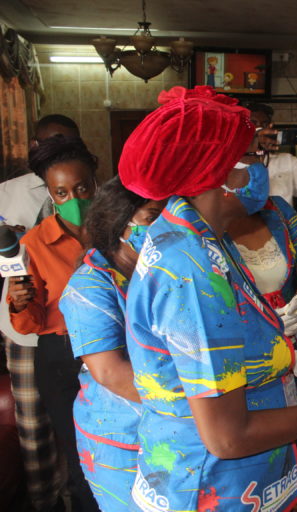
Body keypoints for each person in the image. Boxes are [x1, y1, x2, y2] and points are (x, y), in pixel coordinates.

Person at [118, 85, 297, 511]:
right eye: (250, 155)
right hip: (210, 487)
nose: (261, 166)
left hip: (235, 481)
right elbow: (228, 436)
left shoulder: (200, 237)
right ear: (223, 175)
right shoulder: (192, 271)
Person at [59, 177, 165, 511]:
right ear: (120, 223)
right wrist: (194, 407)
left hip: (169, 423)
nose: (163, 226)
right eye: (152, 218)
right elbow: (110, 372)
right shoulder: (89, 286)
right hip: (121, 435)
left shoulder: (160, 271)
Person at [6, 136, 100, 511]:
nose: (73, 200)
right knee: (80, 458)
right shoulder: (35, 244)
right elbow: (30, 324)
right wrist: (19, 302)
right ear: (51, 195)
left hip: (118, 348)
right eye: (62, 193)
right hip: (62, 358)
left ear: (95, 182)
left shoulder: (118, 230)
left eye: (82, 188)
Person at [0, 113, 79, 512]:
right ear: (33, 145)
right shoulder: (7, 193)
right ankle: (44, 501)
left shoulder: (90, 196)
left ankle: (78, 495)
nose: (54, 149)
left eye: (65, 141)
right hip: (24, 328)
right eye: (47, 142)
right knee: (34, 423)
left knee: (79, 429)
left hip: (78, 334)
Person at [229, 180, 297, 476]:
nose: (258, 167)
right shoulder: (206, 226)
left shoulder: (279, 211)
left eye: (260, 157)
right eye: (249, 159)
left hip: (289, 327)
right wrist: (261, 325)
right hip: (240, 345)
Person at [239, 102, 297, 205]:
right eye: (253, 123)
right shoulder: (230, 159)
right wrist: (250, 148)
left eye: (265, 124)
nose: (260, 128)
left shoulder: (286, 161)